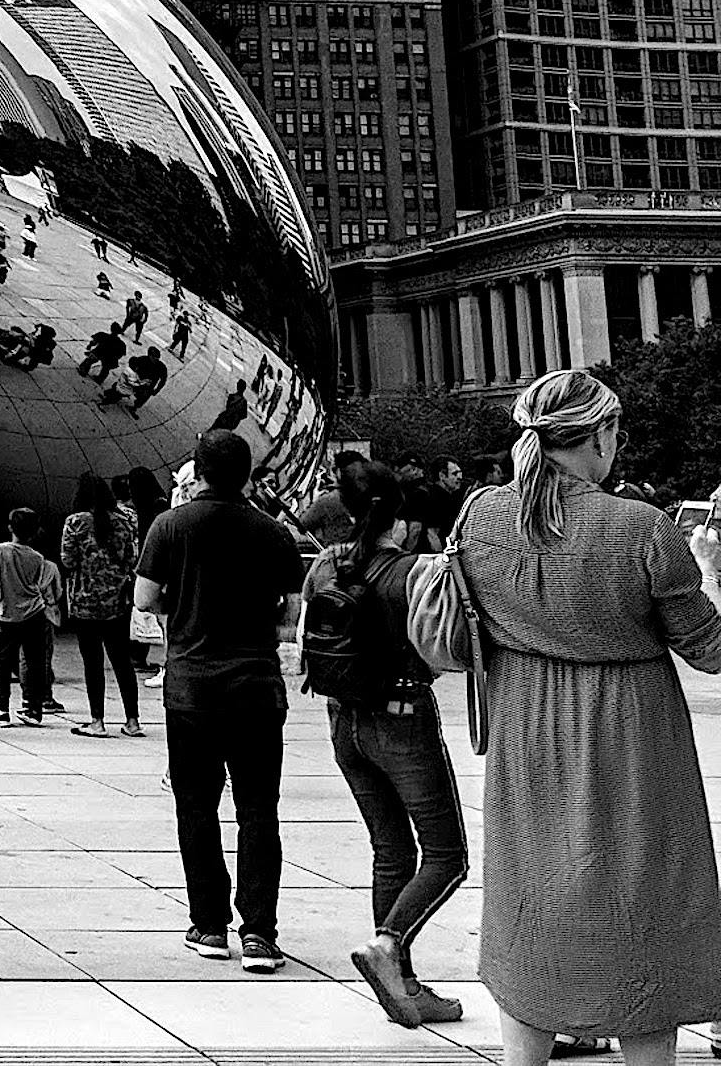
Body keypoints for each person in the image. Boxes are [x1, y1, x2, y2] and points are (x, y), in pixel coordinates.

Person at [455, 370, 721, 1064]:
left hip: (527, 732)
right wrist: (711, 572)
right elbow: (710, 649)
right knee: (644, 903)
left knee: (534, 898)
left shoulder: (480, 514)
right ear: (601, 435)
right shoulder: (642, 528)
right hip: (632, 735)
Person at [133, 428, 304, 972]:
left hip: (191, 690)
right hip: (255, 688)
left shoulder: (169, 526)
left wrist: (181, 616)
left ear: (197, 473)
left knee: (196, 807)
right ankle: (260, 932)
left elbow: (144, 597)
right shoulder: (273, 534)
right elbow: (291, 615)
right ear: (248, 474)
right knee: (259, 810)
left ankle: (208, 924)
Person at [303, 460, 466, 1029]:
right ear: (401, 514)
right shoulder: (416, 572)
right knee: (447, 855)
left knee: (391, 850)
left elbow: (305, 635)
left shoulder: (326, 563)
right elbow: (445, 649)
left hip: (343, 720)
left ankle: (404, 988)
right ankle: (390, 946)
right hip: (402, 717)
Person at [59, 472, 144, 737]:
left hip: (84, 603)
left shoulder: (75, 522)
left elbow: (68, 560)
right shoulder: (124, 521)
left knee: (92, 663)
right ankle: (133, 720)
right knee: (122, 661)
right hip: (117, 601)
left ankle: (97, 721)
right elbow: (132, 558)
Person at [0, 508, 54, 727]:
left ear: (10, 527)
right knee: (35, 661)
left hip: (9, 615)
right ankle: (34, 708)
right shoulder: (37, 557)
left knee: (2, 661)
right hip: (35, 612)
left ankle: (1, 710)